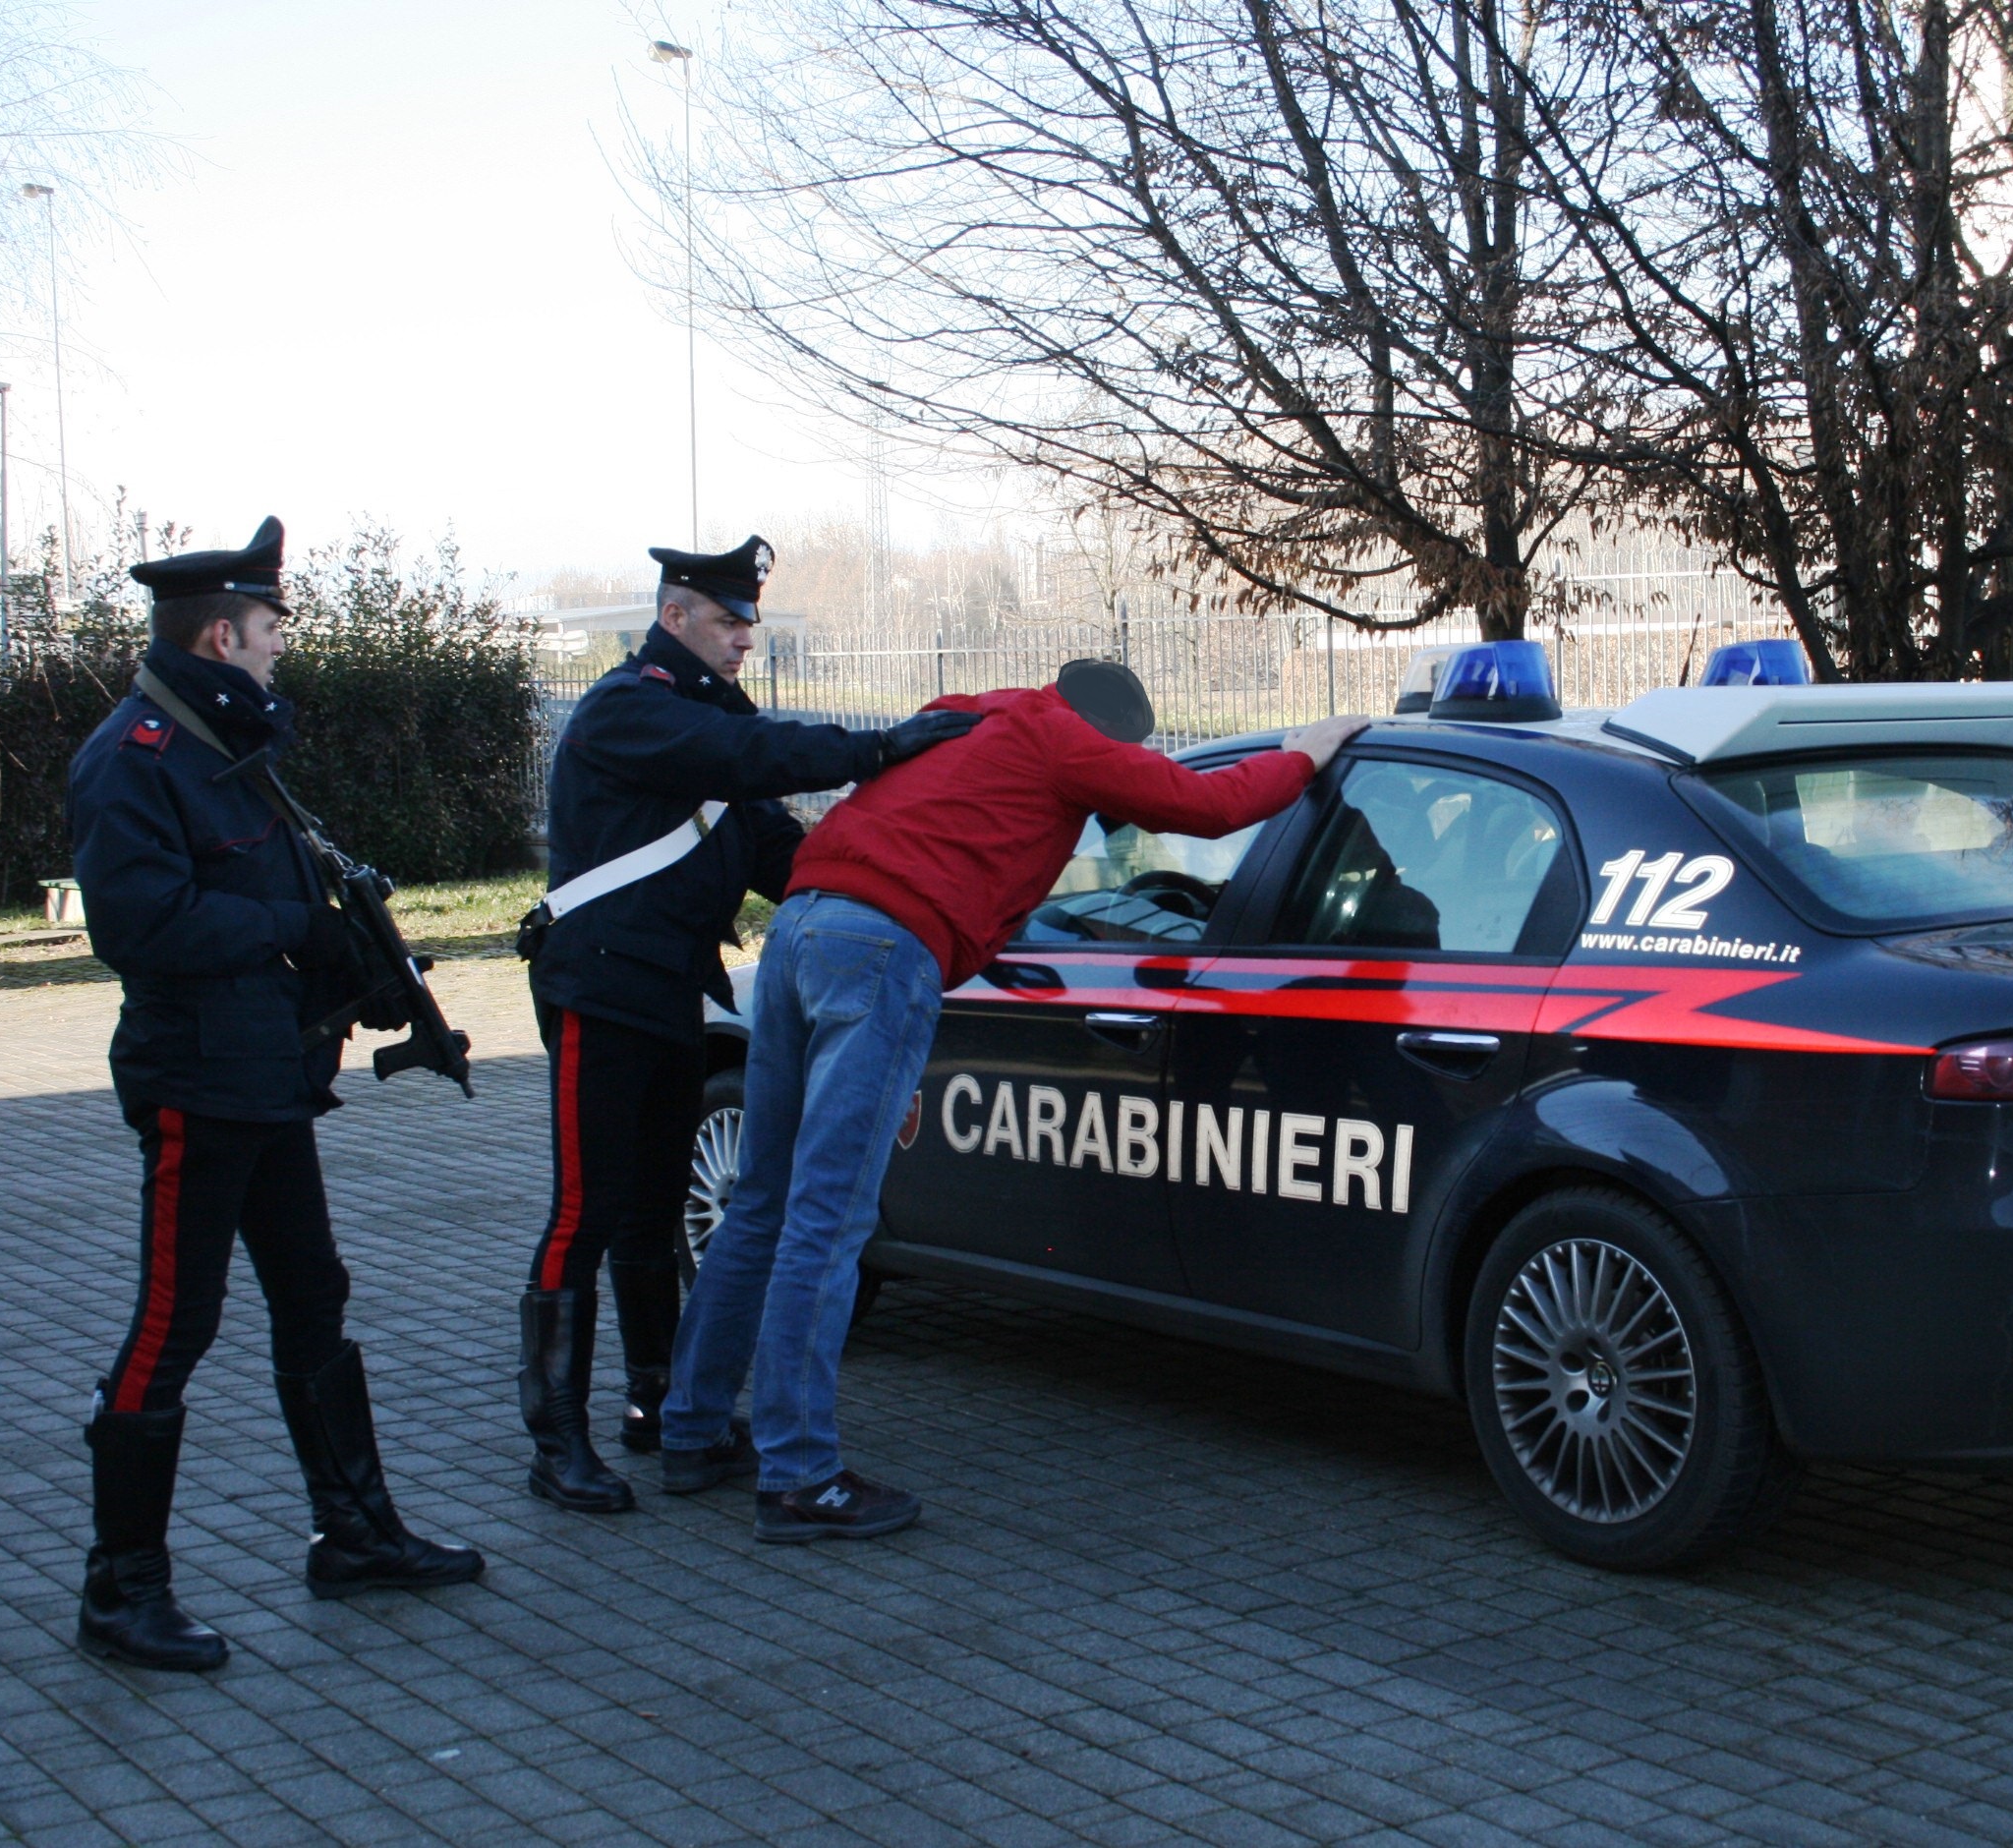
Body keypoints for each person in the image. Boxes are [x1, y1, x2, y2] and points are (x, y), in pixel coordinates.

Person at [661, 659, 1370, 1540]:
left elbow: (944, 847)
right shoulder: (1065, 742)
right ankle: (800, 1476)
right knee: (828, 1219)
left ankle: (689, 1430)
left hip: (802, 928)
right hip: (882, 949)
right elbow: (1209, 807)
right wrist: (1306, 753)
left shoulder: (965, 715)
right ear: (1109, 736)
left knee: (763, 1201)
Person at [66, 517, 483, 1673]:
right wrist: (298, 928)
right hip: (197, 1080)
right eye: (266, 632)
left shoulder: (221, 746)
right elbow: (141, 925)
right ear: (217, 632)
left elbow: (274, 893)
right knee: (173, 1320)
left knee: (313, 1294)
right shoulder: (137, 756)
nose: (276, 651)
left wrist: (353, 970)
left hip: (264, 1074)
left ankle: (355, 1531)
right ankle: (121, 1591)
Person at [518, 536, 979, 1515]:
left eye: (747, 625)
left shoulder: (712, 722)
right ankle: (556, 1440)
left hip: (669, 993)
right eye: (727, 622)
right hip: (597, 991)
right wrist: (874, 747)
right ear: (674, 614)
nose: (742, 641)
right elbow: (743, 755)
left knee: (648, 1212)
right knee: (585, 1211)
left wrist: (894, 890)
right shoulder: (631, 706)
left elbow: (786, 854)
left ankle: (657, 1403)